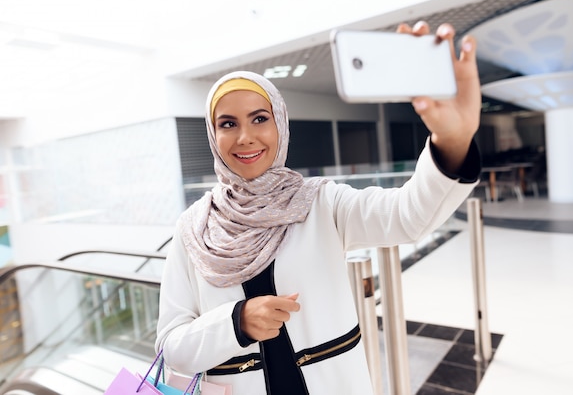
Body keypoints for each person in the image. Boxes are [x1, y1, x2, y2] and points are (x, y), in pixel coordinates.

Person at [155, 21, 482, 395]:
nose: (245, 137)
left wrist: (452, 139)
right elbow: (171, 346)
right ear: (214, 136)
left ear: (280, 124)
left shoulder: (321, 203)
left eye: (260, 119)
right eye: (228, 124)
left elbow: (408, 216)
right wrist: (236, 323)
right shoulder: (193, 228)